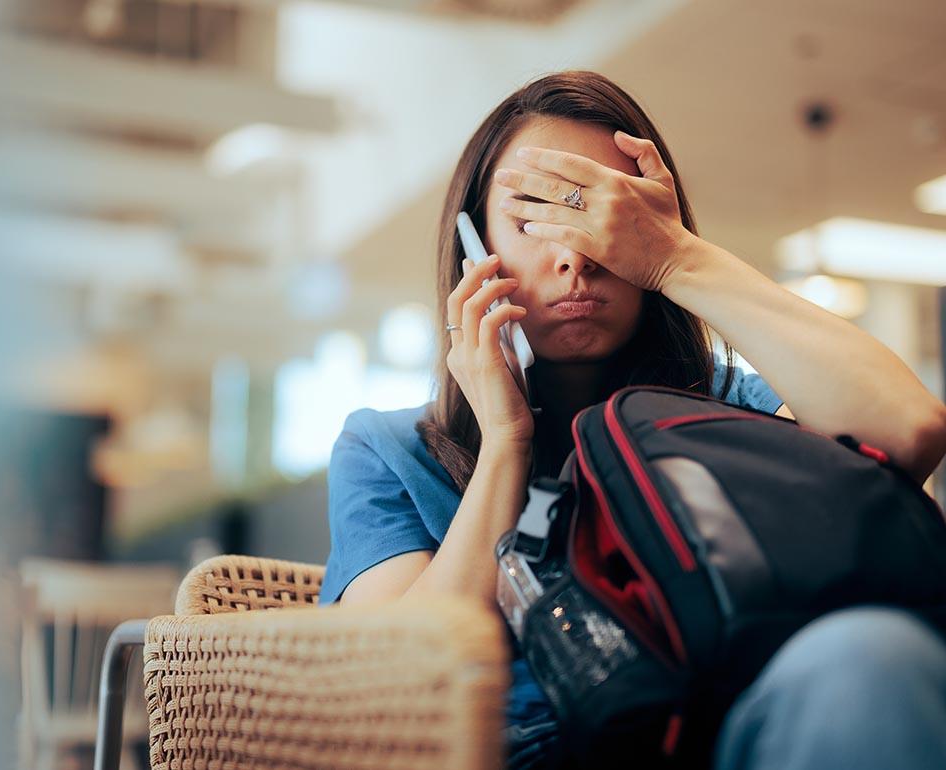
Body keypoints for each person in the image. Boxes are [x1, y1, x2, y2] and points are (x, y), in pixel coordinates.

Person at [317, 71, 946, 769]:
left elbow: (908, 432)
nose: (574, 256)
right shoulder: (387, 450)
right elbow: (393, 691)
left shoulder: (733, 412)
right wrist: (505, 442)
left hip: (724, 731)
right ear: (474, 247)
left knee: (874, 659)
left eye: (606, 216)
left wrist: (678, 257)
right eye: (533, 220)